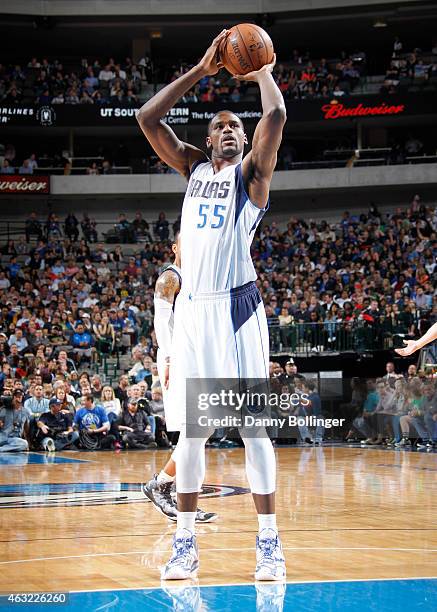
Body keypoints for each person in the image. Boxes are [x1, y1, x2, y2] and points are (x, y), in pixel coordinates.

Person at [136, 29, 287, 581]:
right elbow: (147, 120)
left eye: (236, 127)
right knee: (192, 435)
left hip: (238, 310)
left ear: (245, 143)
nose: (229, 130)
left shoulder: (253, 177)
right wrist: (202, 70)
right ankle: (185, 543)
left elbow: (275, 119)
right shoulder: (193, 169)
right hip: (194, 313)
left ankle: (269, 543)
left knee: (253, 430)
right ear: (207, 138)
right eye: (220, 125)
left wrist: (260, 72)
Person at [142, 233, 217, 523]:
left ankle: (166, 487)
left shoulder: (199, 279)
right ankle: (165, 488)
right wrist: (171, 357)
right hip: (177, 357)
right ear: (175, 248)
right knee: (196, 429)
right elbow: (161, 321)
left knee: (204, 428)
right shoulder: (169, 278)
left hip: (198, 357)